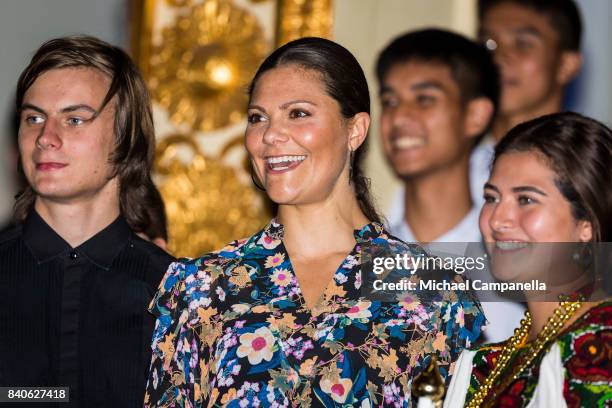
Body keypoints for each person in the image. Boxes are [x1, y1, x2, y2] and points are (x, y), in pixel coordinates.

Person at [145, 37, 485, 407]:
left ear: (355, 130)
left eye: (298, 113)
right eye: (258, 118)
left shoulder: (432, 293)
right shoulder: (203, 288)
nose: (270, 135)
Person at [0, 36, 174, 407]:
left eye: (74, 119)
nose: (45, 138)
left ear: (126, 136)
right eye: (34, 118)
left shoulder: (174, 292)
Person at [444, 112, 612, 407]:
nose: (497, 220)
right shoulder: (483, 366)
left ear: (585, 222)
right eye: (492, 198)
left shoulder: (600, 344)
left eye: (526, 200)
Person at [376, 29, 522, 343]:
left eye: (424, 99)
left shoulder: (515, 259)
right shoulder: (364, 254)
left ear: (475, 115)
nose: (399, 116)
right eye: (389, 100)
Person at [471, 0, 583, 201]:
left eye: (522, 44)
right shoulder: (452, 174)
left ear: (566, 65)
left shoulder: (595, 171)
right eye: (488, 43)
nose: (499, 57)